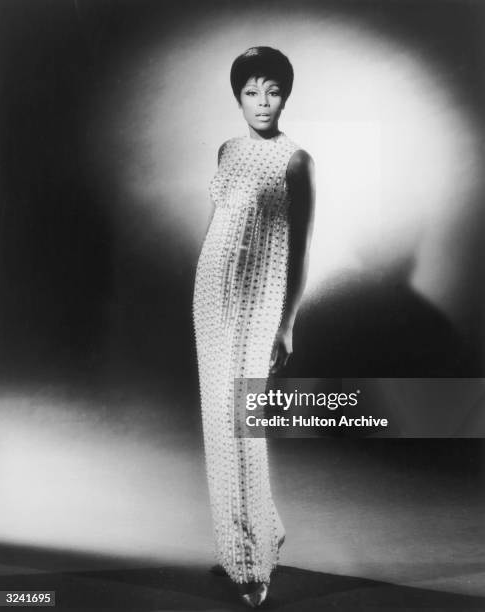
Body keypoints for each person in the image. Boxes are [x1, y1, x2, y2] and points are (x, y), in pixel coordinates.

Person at [192, 46, 315, 607]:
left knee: (243, 426)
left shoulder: (296, 161)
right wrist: (202, 289)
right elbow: (218, 221)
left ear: (285, 96)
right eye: (251, 91)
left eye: (273, 91)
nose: (262, 102)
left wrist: (286, 324)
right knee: (220, 425)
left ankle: (252, 563)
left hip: (259, 301)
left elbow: (301, 254)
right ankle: (250, 537)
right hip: (211, 295)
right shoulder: (227, 149)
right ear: (238, 96)